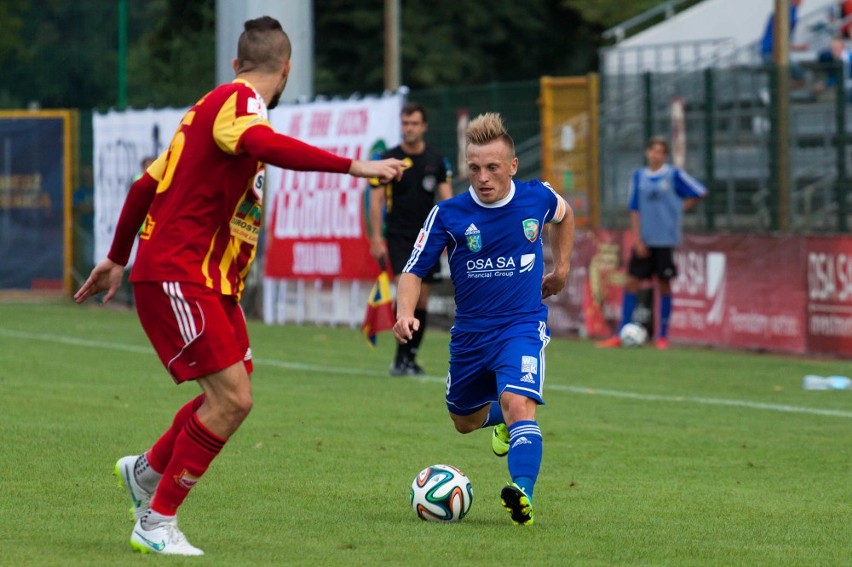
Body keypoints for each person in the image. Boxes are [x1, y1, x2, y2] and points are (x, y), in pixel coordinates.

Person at [74, 16, 404, 556]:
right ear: (288, 68)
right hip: (183, 274)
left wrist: (116, 257)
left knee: (230, 393)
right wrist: (355, 167)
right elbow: (265, 143)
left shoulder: (203, 111)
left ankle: (146, 471)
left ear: (236, 60)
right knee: (232, 399)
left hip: (207, 281)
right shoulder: (241, 103)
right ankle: (155, 521)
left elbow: (143, 186)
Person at [393, 113, 575, 525]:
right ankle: (500, 421)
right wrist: (405, 312)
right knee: (463, 420)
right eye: (475, 168)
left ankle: (522, 492)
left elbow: (565, 215)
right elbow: (413, 270)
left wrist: (562, 269)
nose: (483, 177)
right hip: (471, 335)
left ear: (512, 166)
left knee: (519, 403)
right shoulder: (448, 214)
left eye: (493, 167)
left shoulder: (536, 197)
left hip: (522, 325)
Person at [596, 136, 707, 350]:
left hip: (665, 240)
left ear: (664, 156)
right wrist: (637, 239)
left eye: (660, 151)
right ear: (647, 153)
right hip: (644, 240)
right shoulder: (639, 177)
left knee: (664, 285)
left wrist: (677, 209)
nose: (656, 155)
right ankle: (621, 333)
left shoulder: (673, 175)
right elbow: (634, 209)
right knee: (631, 283)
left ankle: (662, 337)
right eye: (653, 150)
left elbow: (700, 192)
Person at [369, 102, 453, 376]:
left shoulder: (436, 161)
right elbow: (376, 201)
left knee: (423, 301)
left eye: (415, 123)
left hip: (430, 238)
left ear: (424, 127)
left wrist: (454, 235)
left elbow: (447, 200)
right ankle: (399, 358)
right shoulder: (390, 159)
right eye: (406, 123)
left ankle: (410, 357)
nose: (410, 128)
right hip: (399, 237)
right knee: (406, 294)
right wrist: (375, 237)